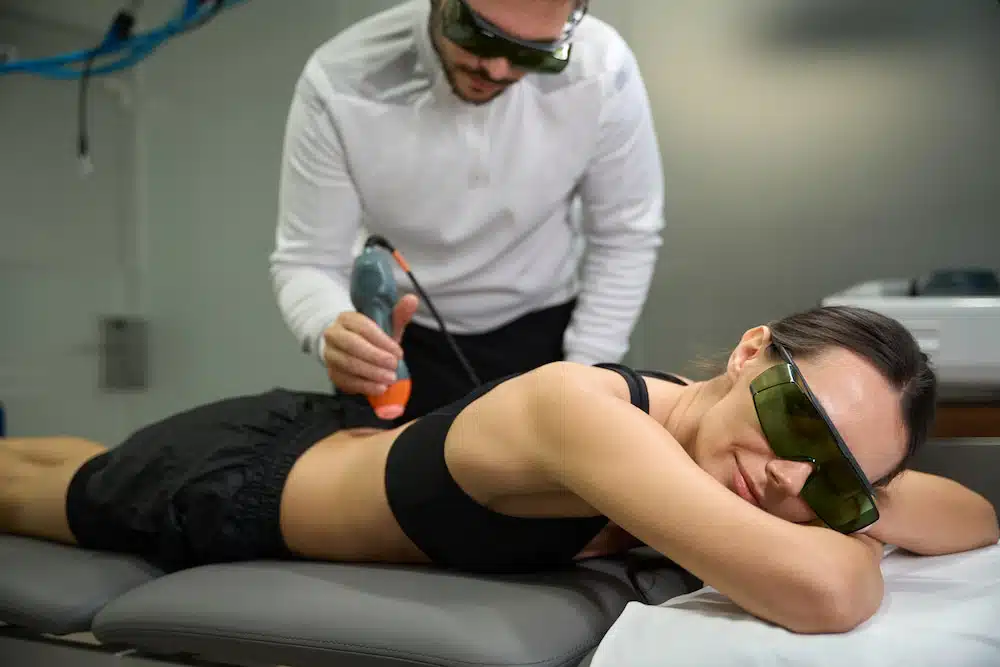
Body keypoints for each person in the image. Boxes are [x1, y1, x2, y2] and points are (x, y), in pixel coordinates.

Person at [2, 306, 997, 635]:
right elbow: (825, 593)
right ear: (748, 352)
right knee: (35, 490)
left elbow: (974, 515)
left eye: (826, 467)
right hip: (231, 489)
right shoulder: (581, 410)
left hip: (318, 442)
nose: (786, 476)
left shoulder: (729, 457)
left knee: (72, 455)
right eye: (795, 420)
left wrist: (842, 494)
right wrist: (845, 519)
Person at [269, 0, 666, 421]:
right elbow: (307, 260)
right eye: (476, 34)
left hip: (549, 336)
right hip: (396, 346)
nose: (497, 70)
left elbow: (625, 237)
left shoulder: (601, 68)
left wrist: (587, 375)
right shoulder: (342, 79)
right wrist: (330, 328)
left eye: (532, 53)